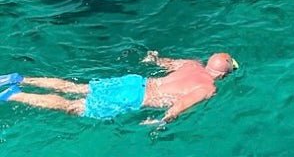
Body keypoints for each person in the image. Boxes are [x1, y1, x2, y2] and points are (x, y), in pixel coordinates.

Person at [0, 51, 238, 125]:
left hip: (134, 81)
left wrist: (153, 59)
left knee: (76, 88)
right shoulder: (208, 88)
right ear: (224, 74)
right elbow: (181, 105)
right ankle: (14, 95)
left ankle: (18, 79)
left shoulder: (191, 64)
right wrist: (161, 122)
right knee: (73, 106)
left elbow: (162, 62)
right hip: (135, 96)